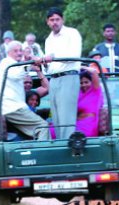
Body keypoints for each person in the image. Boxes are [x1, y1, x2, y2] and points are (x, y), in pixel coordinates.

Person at [37, 7, 82, 139]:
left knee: (66, 118)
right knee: (56, 118)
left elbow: (74, 55)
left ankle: (69, 151)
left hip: (68, 76)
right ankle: (61, 148)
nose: (55, 22)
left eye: (57, 19)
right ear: (47, 22)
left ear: (62, 20)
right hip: (54, 79)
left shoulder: (72, 33)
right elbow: (49, 65)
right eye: (52, 20)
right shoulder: (48, 39)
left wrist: (53, 56)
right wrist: (42, 63)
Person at [0, 41, 49, 140]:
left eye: (20, 51)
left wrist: (30, 62)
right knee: (42, 126)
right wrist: (30, 63)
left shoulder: (16, 64)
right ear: (9, 52)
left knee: (36, 129)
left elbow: (46, 88)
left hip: (13, 107)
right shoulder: (7, 62)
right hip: (11, 107)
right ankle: (43, 154)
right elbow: (17, 75)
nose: (19, 53)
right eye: (15, 51)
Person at [75, 67, 103, 137]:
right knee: (52, 130)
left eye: (86, 82)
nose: (84, 85)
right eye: (81, 83)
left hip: (88, 126)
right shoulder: (79, 94)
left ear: (92, 82)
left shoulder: (96, 91)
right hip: (76, 123)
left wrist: (79, 66)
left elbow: (94, 71)